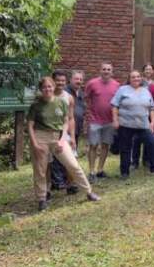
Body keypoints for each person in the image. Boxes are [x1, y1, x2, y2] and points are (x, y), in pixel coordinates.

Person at [27, 77, 100, 211]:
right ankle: (42, 199)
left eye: (49, 86)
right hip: (40, 137)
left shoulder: (61, 102)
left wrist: (63, 139)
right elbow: (30, 126)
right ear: (40, 89)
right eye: (44, 87)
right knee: (40, 171)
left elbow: (66, 121)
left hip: (58, 136)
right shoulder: (36, 105)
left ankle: (89, 192)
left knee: (73, 165)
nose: (47, 89)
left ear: (53, 87)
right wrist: (35, 144)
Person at [111, 70, 154, 178]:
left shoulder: (146, 91)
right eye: (133, 77)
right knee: (125, 148)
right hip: (126, 124)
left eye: (138, 77)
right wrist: (115, 120)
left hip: (143, 125)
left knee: (153, 143)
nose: (136, 79)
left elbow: (152, 108)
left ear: (141, 78)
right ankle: (124, 172)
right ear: (129, 79)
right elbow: (115, 105)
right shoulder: (122, 89)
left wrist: (152, 123)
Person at [85, 63, 120, 183]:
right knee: (93, 145)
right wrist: (88, 114)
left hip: (109, 121)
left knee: (105, 145)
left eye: (109, 69)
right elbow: (86, 98)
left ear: (112, 72)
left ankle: (100, 170)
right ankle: (91, 172)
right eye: (104, 69)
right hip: (95, 120)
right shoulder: (92, 83)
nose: (106, 71)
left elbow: (118, 103)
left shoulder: (117, 85)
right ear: (100, 70)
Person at [49, 70, 78, 192]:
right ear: (53, 81)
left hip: (64, 132)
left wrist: (72, 137)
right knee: (48, 161)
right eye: (58, 80)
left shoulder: (69, 97)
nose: (60, 83)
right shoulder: (46, 95)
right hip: (49, 132)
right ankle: (49, 187)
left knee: (71, 159)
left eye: (63, 81)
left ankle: (71, 184)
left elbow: (71, 118)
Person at [131, 62, 154, 169]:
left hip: (150, 112)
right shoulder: (139, 82)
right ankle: (135, 161)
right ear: (143, 71)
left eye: (150, 69)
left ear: (153, 71)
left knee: (148, 137)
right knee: (136, 138)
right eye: (146, 69)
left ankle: (146, 160)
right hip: (139, 113)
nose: (148, 71)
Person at [64, 70, 86, 150]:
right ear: (70, 80)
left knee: (73, 151)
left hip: (76, 129)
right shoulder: (65, 92)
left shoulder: (81, 93)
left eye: (80, 79)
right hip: (65, 129)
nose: (79, 81)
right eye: (76, 79)